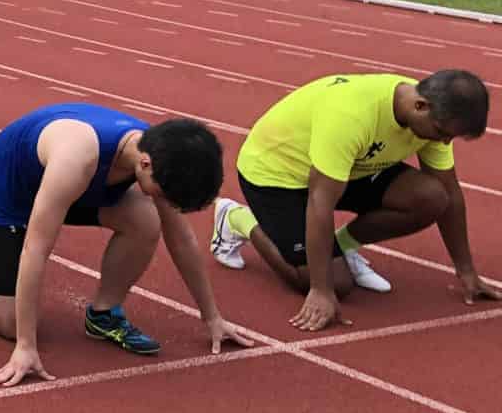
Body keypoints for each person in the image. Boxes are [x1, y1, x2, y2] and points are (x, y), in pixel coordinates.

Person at [0, 106, 249, 384]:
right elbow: (36, 248)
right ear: (146, 164)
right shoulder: (77, 157)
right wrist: (25, 346)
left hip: (74, 190)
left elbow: (181, 238)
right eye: (166, 195)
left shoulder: (163, 156)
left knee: (147, 219)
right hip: (8, 193)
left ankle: (104, 314)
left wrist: (212, 317)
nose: (166, 203)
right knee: (10, 323)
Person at [208, 72, 497, 328]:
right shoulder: (352, 115)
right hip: (276, 175)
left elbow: (451, 195)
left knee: (433, 198)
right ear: (420, 106)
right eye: (443, 134)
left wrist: (466, 271)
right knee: (336, 284)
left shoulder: (431, 118)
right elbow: (320, 202)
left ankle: (340, 248)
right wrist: (321, 290)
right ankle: (237, 219)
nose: (444, 143)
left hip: (349, 168)